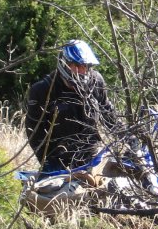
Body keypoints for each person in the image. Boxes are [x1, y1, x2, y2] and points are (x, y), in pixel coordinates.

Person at [25, 40, 121, 174]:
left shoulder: (96, 81)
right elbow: (34, 130)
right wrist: (46, 161)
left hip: (91, 155)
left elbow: (108, 113)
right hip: (58, 160)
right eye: (77, 65)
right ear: (64, 63)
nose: (82, 70)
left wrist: (129, 137)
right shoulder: (42, 89)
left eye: (85, 66)